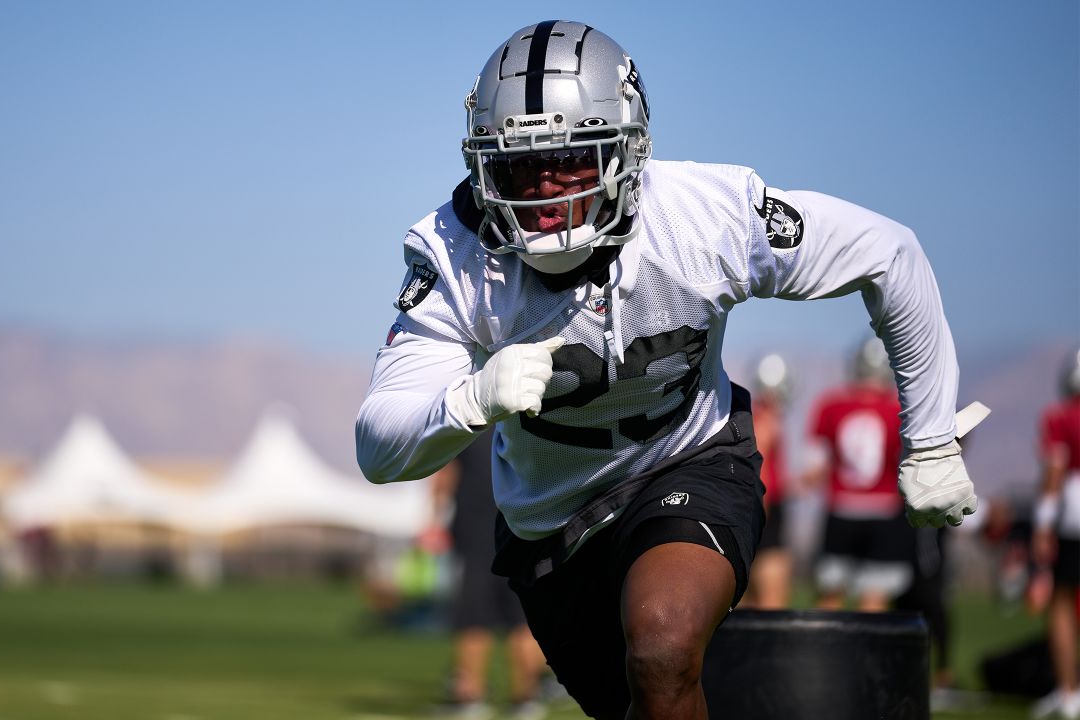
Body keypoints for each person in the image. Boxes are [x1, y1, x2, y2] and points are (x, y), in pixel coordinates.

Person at [355, 21, 978, 720]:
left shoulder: (703, 218)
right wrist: (468, 401)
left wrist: (929, 438)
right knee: (641, 699)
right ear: (482, 167)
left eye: (572, 160)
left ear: (627, 151)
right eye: (521, 165)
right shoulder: (452, 256)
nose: (545, 193)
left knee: (662, 645)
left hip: (690, 462)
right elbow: (378, 447)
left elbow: (889, 254)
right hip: (552, 526)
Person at [427, 432, 547, 720]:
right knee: (522, 619)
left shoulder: (469, 425)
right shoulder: (527, 426)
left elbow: (444, 474)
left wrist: (434, 519)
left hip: (478, 536)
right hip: (520, 532)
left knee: (473, 619)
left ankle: (469, 695)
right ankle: (526, 698)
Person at [806, 337, 914, 612]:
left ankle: (824, 655)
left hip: (841, 509)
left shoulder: (831, 406)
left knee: (830, 598)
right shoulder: (900, 410)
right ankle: (864, 656)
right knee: (874, 601)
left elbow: (814, 469)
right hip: (885, 511)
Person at [1029, 349, 1080, 720]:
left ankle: (1068, 691)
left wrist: (1042, 526)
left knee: (1062, 604)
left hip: (1074, 516)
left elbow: (1054, 474)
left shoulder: (1061, 417)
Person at [740, 353, 793, 609]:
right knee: (771, 603)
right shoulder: (766, 420)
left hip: (758, 509)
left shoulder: (756, 416)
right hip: (764, 513)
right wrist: (761, 517)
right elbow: (761, 471)